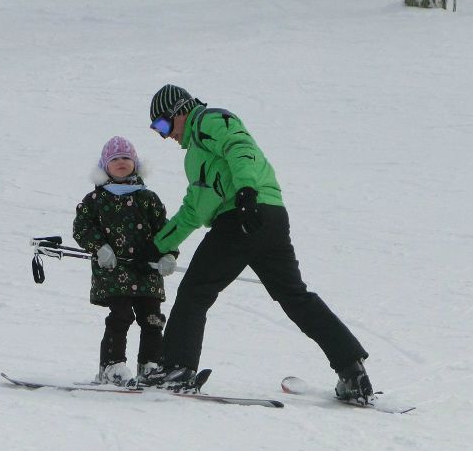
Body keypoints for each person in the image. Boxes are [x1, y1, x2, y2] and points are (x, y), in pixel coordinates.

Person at [141, 84, 373, 402]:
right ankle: (352, 371)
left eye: (164, 125)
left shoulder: (210, 120)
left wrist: (247, 191)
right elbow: (194, 209)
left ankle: (178, 369)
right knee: (295, 297)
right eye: (157, 130)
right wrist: (158, 245)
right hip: (268, 219)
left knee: (195, 290)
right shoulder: (195, 156)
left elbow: (240, 146)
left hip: (242, 216)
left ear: (181, 111)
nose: (165, 135)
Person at [73, 136, 178, 386]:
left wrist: (169, 254)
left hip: (147, 272)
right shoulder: (95, 200)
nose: (121, 163)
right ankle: (111, 365)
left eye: (126, 159)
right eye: (115, 159)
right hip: (113, 272)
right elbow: (81, 228)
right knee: (120, 316)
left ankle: (150, 365)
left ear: (136, 164)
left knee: (152, 319)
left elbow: (166, 230)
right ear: (104, 166)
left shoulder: (148, 198)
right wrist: (99, 247)